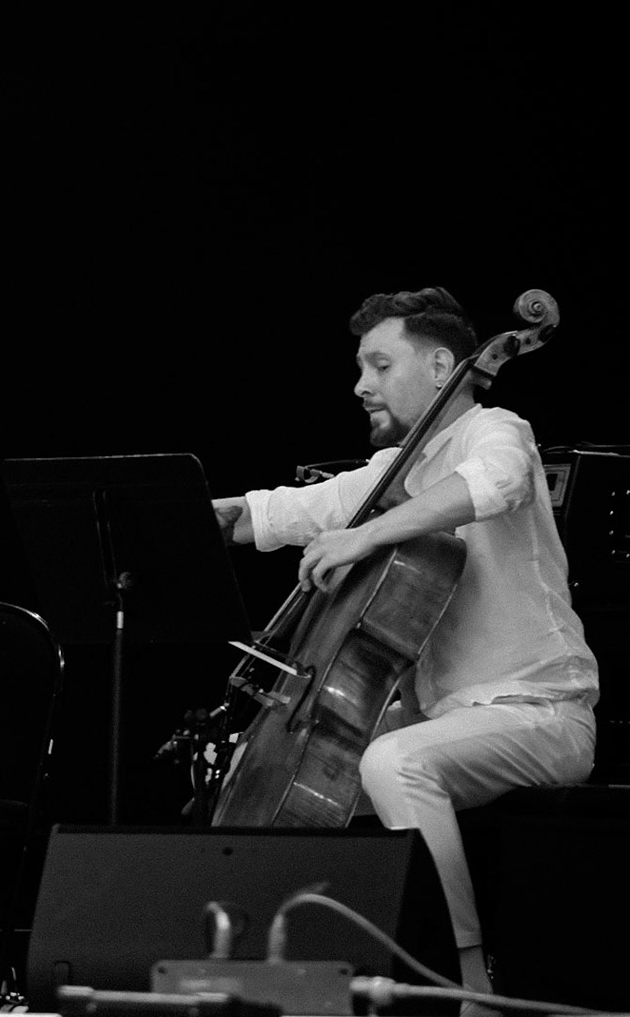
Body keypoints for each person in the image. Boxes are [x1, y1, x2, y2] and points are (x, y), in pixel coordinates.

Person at [211, 287, 596, 1003]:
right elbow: (276, 512)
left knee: (394, 759)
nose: (361, 385)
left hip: (540, 710)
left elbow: (498, 482)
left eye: (379, 365)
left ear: (443, 364)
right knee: (284, 781)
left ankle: (467, 981)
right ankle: (282, 977)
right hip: (451, 721)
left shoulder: (497, 430)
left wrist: (367, 532)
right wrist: (171, 508)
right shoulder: (394, 476)